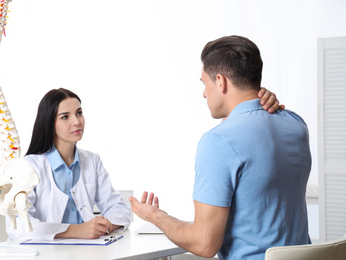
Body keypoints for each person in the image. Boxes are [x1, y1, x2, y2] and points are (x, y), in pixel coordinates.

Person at [129, 35, 311, 260]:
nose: (204, 93)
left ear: (221, 81)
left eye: (204, 83)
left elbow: (204, 244)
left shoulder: (219, 141)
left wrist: (156, 216)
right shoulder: (296, 124)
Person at [6, 88, 131, 240]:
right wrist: (72, 231)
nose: (76, 122)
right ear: (49, 123)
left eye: (79, 113)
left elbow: (119, 208)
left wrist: (106, 225)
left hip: (85, 251)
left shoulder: (92, 161)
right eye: (65, 117)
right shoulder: (29, 167)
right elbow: (18, 225)